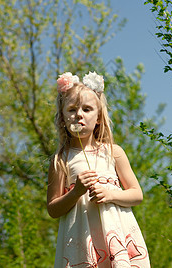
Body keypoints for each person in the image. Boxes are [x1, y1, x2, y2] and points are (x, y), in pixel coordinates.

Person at [47, 71, 151, 267]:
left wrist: (109, 194)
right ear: (62, 118)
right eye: (71, 110)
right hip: (80, 236)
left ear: (98, 118)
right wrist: (76, 192)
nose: (79, 115)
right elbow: (53, 209)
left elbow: (137, 194)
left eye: (87, 109)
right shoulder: (60, 160)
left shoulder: (114, 152)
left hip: (115, 232)